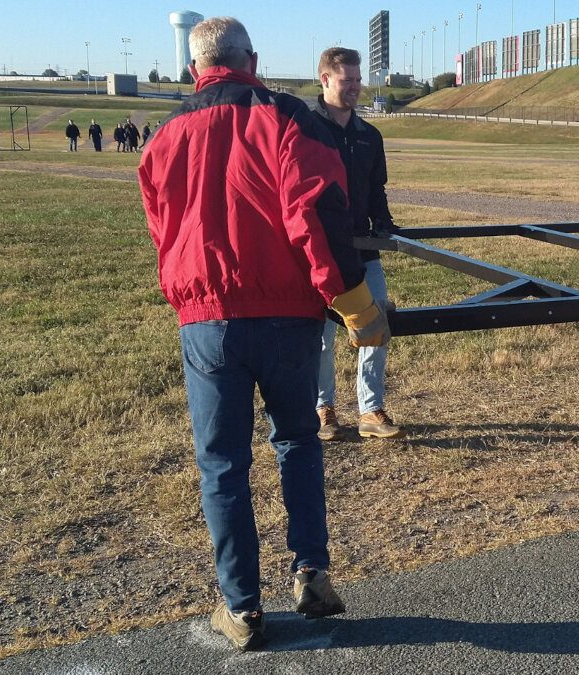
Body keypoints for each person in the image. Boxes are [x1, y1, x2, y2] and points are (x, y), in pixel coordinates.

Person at [139, 16, 390, 651]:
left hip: (207, 319)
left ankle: (241, 606)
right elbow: (315, 213)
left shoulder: (163, 135)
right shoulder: (288, 119)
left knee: (222, 463)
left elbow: (162, 230)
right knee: (298, 442)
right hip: (288, 316)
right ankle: (311, 572)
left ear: (196, 69)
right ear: (251, 59)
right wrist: (354, 302)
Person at [312, 47, 405, 441]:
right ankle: (323, 409)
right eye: (346, 79)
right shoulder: (307, 129)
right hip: (318, 251)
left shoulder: (370, 135)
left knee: (375, 326)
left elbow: (376, 187)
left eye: (357, 78)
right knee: (321, 336)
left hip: (364, 250)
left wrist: (383, 222)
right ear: (325, 80)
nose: (355, 87)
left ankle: (370, 409)